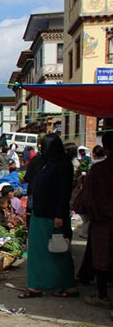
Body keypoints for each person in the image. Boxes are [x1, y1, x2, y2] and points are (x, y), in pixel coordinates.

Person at [19, 133, 78, 299]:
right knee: (40, 252)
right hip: (41, 213)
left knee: (59, 250)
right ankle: (37, 285)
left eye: (43, 147)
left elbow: (64, 192)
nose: (40, 150)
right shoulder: (49, 163)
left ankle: (67, 286)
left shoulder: (62, 165)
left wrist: (59, 215)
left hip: (52, 216)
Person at [73, 131, 113, 308]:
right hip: (103, 219)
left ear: (105, 147)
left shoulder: (98, 170)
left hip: (102, 221)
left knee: (102, 257)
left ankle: (103, 295)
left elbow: (86, 198)